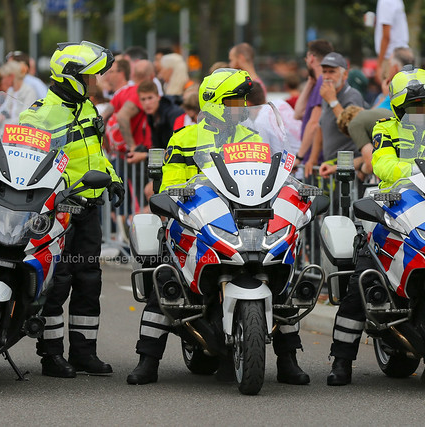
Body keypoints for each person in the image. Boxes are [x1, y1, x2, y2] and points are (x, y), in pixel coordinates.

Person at [127, 68, 311, 386]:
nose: (241, 107)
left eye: (242, 101)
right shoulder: (185, 138)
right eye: (234, 101)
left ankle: (288, 360)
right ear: (215, 103)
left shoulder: (252, 139)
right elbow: (169, 186)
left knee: (283, 284)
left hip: (245, 221)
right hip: (199, 221)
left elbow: (269, 180)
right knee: (165, 280)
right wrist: (175, 195)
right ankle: (148, 360)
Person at [327, 66, 425, 386]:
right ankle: (341, 359)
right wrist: (423, 168)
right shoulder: (386, 128)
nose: (419, 112)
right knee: (364, 275)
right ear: (398, 106)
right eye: (412, 107)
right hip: (398, 207)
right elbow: (383, 162)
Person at [18, 41, 125, 378]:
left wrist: (113, 179)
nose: (99, 82)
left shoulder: (88, 109)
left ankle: (83, 352)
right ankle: (51, 354)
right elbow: (27, 163)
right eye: (93, 77)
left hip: (89, 207)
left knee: (89, 279)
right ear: (74, 78)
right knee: (57, 282)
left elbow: (96, 154)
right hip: (58, 210)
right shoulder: (38, 114)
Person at [304, 52, 365, 178]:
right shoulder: (328, 93)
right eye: (324, 71)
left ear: (345, 74)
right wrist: (312, 158)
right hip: (330, 166)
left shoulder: (352, 95)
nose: (327, 76)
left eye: (332, 71)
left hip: (349, 168)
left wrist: (332, 101)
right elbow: (320, 126)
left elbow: (352, 127)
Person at [292, 40, 334, 167]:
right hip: (314, 161)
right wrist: (310, 82)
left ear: (311, 58)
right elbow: (298, 114)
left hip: (317, 162)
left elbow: (314, 123)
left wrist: (299, 156)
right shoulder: (317, 83)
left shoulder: (322, 82)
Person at [374, 0, 409, 85]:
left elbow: (386, 36)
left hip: (390, 56)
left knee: (390, 92)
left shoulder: (385, 2)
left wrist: (379, 65)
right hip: (400, 53)